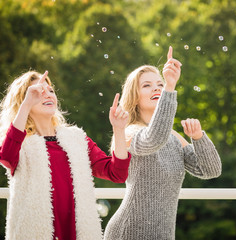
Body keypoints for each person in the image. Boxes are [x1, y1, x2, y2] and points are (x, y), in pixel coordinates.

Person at [104, 46, 222, 240]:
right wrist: (169, 87)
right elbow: (153, 139)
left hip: (163, 234)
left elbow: (211, 170)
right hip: (128, 232)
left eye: (159, 84)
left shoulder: (174, 137)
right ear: (134, 97)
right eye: (147, 85)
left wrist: (199, 138)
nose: (157, 87)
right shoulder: (128, 131)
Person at [0, 70, 131, 240]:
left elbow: (117, 173)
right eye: (38, 91)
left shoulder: (77, 139)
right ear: (23, 101)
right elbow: (6, 157)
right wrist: (26, 105)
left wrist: (119, 129)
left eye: (51, 90)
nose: (47, 94)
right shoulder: (20, 142)